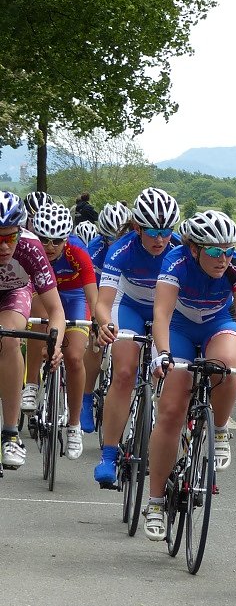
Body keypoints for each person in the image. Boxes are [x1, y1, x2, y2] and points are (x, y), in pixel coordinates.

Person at [146, 210, 236, 540]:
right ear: (194, 248)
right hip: (179, 329)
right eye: (215, 251)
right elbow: (161, 313)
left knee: (227, 366)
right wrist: (164, 354)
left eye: (229, 250)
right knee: (171, 411)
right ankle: (156, 500)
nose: (223, 258)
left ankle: (219, 428)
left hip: (218, 325)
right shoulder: (175, 262)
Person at [93, 187, 179, 487]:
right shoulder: (121, 249)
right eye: (152, 231)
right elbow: (103, 303)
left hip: (164, 312)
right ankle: (108, 454)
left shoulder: (179, 249)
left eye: (166, 231)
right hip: (127, 306)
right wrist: (104, 324)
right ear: (137, 227)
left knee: (171, 369)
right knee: (125, 372)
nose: (159, 239)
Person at [22, 203, 97, 460]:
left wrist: (98, 323)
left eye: (57, 240)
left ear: (66, 238)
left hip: (74, 297)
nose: (50, 246)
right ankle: (31, 383)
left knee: (75, 356)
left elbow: (91, 294)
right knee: (37, 320)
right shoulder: (31, 250)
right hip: (44, 296)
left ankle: (74, 425)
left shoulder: (78, 252)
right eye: (44, 239)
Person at [0, 192, 65, 468]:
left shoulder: (30, 248)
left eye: (10, 238)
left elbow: (56, 311)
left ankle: (11, 434)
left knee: (9, 337)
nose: (5, 247)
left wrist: (56, 345)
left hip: (14, 293)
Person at [80, 201, 132, 433]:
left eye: (117, 237)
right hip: (97, 294)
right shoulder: (94, 249)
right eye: (108, 239)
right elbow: (88, 287)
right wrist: (94, 319)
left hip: (122, 297)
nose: (113, 243)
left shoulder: (130, 247)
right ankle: (86, 397)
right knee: (95, 343)